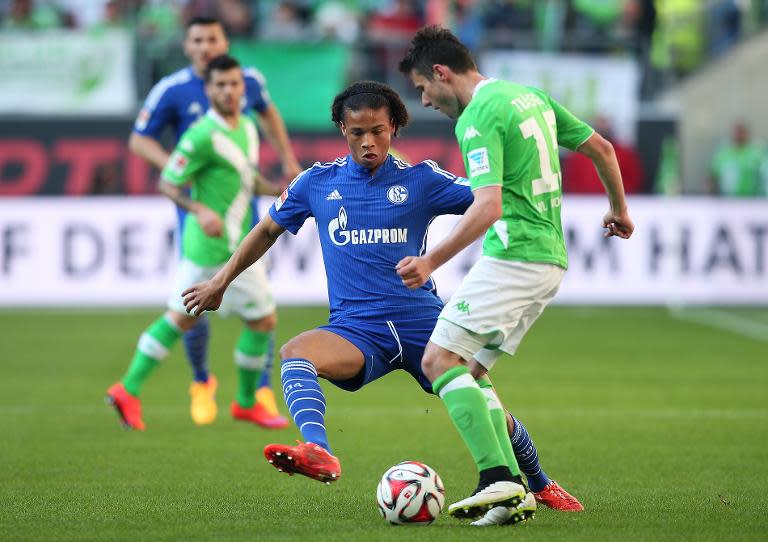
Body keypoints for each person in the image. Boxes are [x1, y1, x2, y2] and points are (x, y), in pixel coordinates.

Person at [182, 81, 582, 526]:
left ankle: (540, 483)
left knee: (487, 403)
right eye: (357, 133)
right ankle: (319, 451)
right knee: (295, 353)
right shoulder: (316, 182)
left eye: (378, 131)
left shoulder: (423, 180)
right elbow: (265, 230)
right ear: (342, 129)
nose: (368, 142)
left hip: (424, 325)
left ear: (394, 127)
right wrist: (219, 281)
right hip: (356, 329)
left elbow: (489, 200)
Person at [397, 25, 634, 525]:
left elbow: (487, 206)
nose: (425, 100)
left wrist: (430, 261)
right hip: (549, 259)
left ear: (441, 72)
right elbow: (603, 150)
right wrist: (620, 209)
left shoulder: (478, 116)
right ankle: (516, 497)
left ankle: (496, 479)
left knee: (438, 360)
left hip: (516, 255)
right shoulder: (528, 96)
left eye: (422, 88)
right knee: (472, 374)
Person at [130, 16, 300, 427]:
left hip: (243, 215)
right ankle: (202, 383)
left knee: (255, 306)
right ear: (187, 47)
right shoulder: (173, 90)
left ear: (225, 42)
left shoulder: (247, 83)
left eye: (213, 38)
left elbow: (269, 116)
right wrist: (181, 173)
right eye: (198, 39)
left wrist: (289, 160)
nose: (205, 45)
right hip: (201, 215)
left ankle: (256, 391)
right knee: (200, 309)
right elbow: (140, 141)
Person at [709, 121, 767, 197]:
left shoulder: (757, 153)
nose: (738, 135)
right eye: (736, 133)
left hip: (753, 199)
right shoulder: (723, 154)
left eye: (741, 132)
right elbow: (713, 176)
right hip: (727, 199)